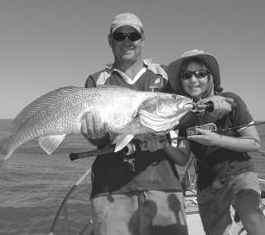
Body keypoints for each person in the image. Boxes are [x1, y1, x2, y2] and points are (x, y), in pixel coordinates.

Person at [81, 13, 232, 235]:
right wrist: (94, 135)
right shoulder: (97, 81)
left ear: (142, 39)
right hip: (111, 189)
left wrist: (213, 105)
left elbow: (189, 110)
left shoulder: (164, 75)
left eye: (133, 34)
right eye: (120, 35)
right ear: (110, 40)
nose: (127, 40)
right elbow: (102, 140)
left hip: (164, 186)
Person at [166, 49, 265, 235]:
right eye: (186, 75)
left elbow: (254, 142)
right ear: (181, 81)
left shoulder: (231, 100)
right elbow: (182, 157)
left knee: (253, 219)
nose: (194, 80)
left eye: (201, 74)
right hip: (208, 184)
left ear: (212, 77)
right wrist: (162, 144)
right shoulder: (184, 117)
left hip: (239, 172)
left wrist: (217, 140)